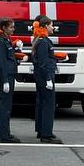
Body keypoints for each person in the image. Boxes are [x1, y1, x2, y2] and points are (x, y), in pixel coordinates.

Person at [32, 15, 61, 143]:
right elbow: (44, 62)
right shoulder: (43, 42)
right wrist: (49, 78)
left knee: (43, 103)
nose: (52, 27)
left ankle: (42, 130)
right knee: (48, 104)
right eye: (50, 25)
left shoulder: (42, 40)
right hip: (45, 76)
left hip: (42, 75)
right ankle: (46, 135)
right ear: (45, 26)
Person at [0, 18, 20, 143]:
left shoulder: (6, 41)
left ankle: (4, 132)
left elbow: (9, 59)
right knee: (5, 106)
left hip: (8, 75)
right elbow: (1, 63)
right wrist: (5, 81)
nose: (13, 29)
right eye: (11, 27)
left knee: (4, 105)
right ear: (3, 28)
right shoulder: (0, 42)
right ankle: (5, 135)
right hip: (6, 77)